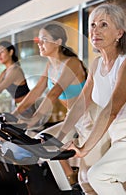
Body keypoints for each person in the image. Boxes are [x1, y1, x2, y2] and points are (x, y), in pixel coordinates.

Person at [59, 3, 126, 194]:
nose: (95, 31)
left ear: (119, 33)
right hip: (119, 136)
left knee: (99, 176)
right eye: (92, 25)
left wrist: (84, 149)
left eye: (103, 25)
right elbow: (80, 106)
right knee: (124, 189)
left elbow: (111, 110)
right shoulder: (96, 65)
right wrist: (58, 137)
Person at [12, 23, 92, 185]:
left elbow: (54, 92)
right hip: (73, 119)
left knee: (89, 172)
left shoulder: (72, 63)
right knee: (43, 141)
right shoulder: (50, 66)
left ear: (58, 42)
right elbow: (36, 92)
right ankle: (70, 179)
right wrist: (12, 116)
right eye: (38, 40)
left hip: (90, 119)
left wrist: (34, 120)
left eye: (44, 39)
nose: (39, 43)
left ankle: (74, 180)